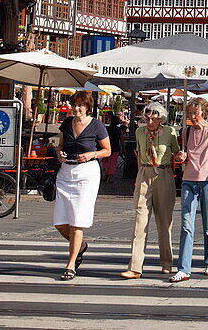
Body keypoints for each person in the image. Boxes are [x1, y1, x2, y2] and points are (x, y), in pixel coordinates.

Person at [53, 91, 111, 281]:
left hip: (86, 174)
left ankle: (70, 265)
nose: (77, 108)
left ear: (88, 107)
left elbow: (107, 151)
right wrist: (59, 153)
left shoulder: (97, 125)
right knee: (60, 222)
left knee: (77, 221)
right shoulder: (67, 123)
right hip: (65, 172)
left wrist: (91, 155)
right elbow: (60, 145)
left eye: (81, 105)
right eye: (74, 104)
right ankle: (81, 246)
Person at [122, 102, 180, 279]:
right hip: (145, 173)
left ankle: (166, 262)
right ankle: (135, 267)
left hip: (163, 173)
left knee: (164, 221)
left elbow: (176, 153)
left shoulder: (170, 132)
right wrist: (139, 177)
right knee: (140, 220)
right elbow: (139, 154)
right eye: (147, 118)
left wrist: (181, 156)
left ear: (161, 118)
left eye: (153, 118)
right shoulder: (140, 132)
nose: (149, 121)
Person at [169, 98, 208, 282]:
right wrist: (181, 156)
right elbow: (182, 155)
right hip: (188, 181)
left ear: (204, 112)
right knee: (186, 225)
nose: (192, 117)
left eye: (195, 113)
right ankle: (184, 268)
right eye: (189, 113)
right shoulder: (186, 130)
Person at [103, 112, 124, 185]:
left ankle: (106, 173)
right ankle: (111, 176)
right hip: (115, 148)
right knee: (113, 162)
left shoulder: (107, 129)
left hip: (107, 147)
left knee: (105, 161)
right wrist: (123, 148)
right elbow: (121, 140)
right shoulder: (119, 130)